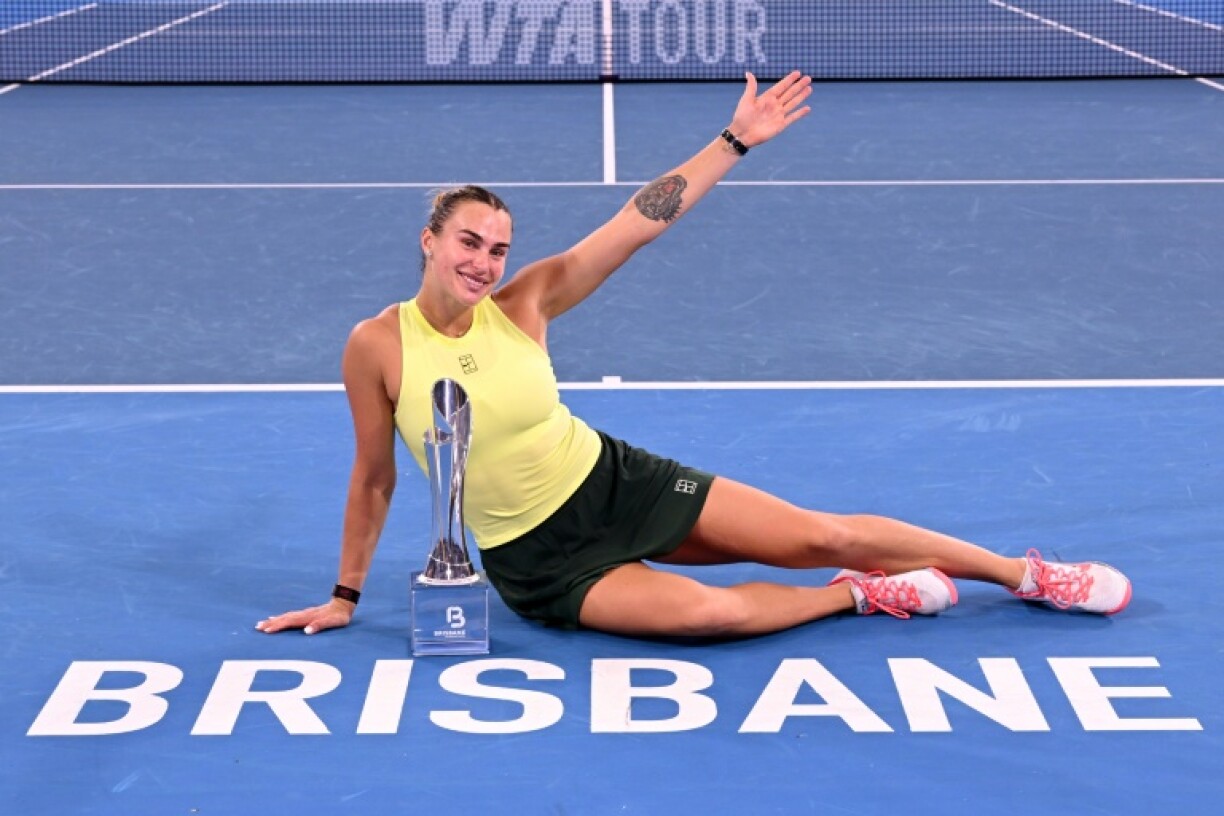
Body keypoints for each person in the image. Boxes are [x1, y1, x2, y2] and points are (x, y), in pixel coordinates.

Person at [257, 72, 1131, 640]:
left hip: (614, 483)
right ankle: (860, 594)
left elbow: (636, 222)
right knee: (708, 616)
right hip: (536, 561)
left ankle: (1027, 573)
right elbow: (374, 476)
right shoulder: (377, 345)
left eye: (497, 248)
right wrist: (345, 596)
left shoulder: (525, 304)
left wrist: (734, 141)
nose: (484, 263)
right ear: (430, 240)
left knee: (815, 534)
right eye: (469, 243)